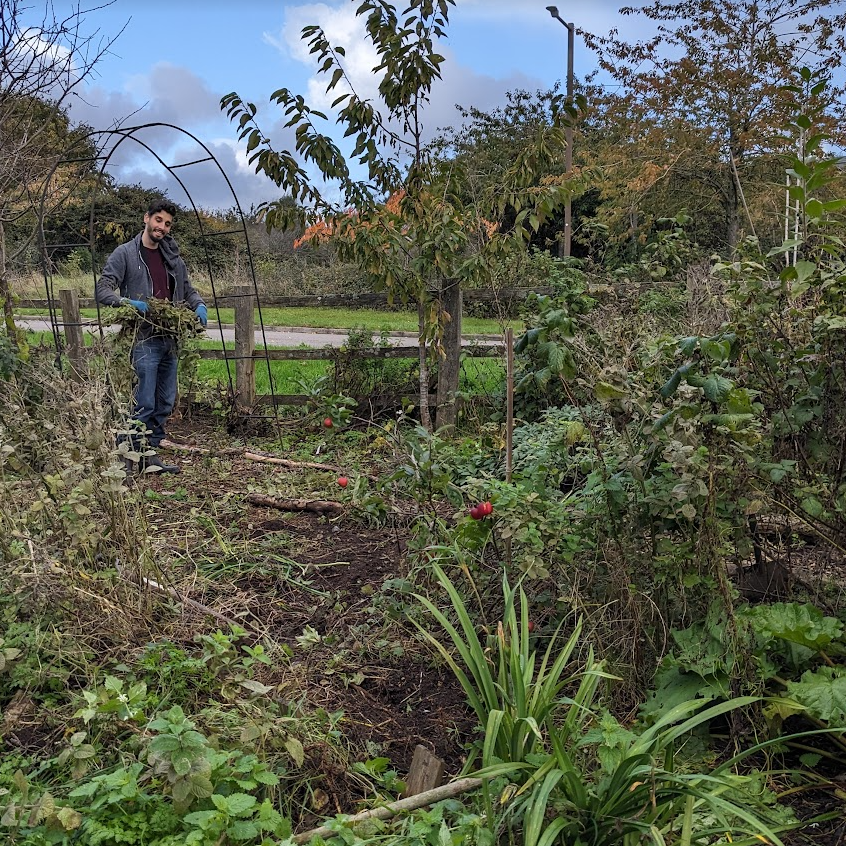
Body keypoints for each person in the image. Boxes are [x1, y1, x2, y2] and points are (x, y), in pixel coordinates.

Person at [96, 198, 208, 474]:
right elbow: (103, 290)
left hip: (170, 338)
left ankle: (149, 454)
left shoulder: (172, 257)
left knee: (164, 402)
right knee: (143, 401)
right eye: (158, 220)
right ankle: (126, 458)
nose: (162, 227)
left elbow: (187, 289)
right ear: (146, 219)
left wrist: (200, 304)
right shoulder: (125, 254)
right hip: (143, 339)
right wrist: (127, 303)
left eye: (168, 224)